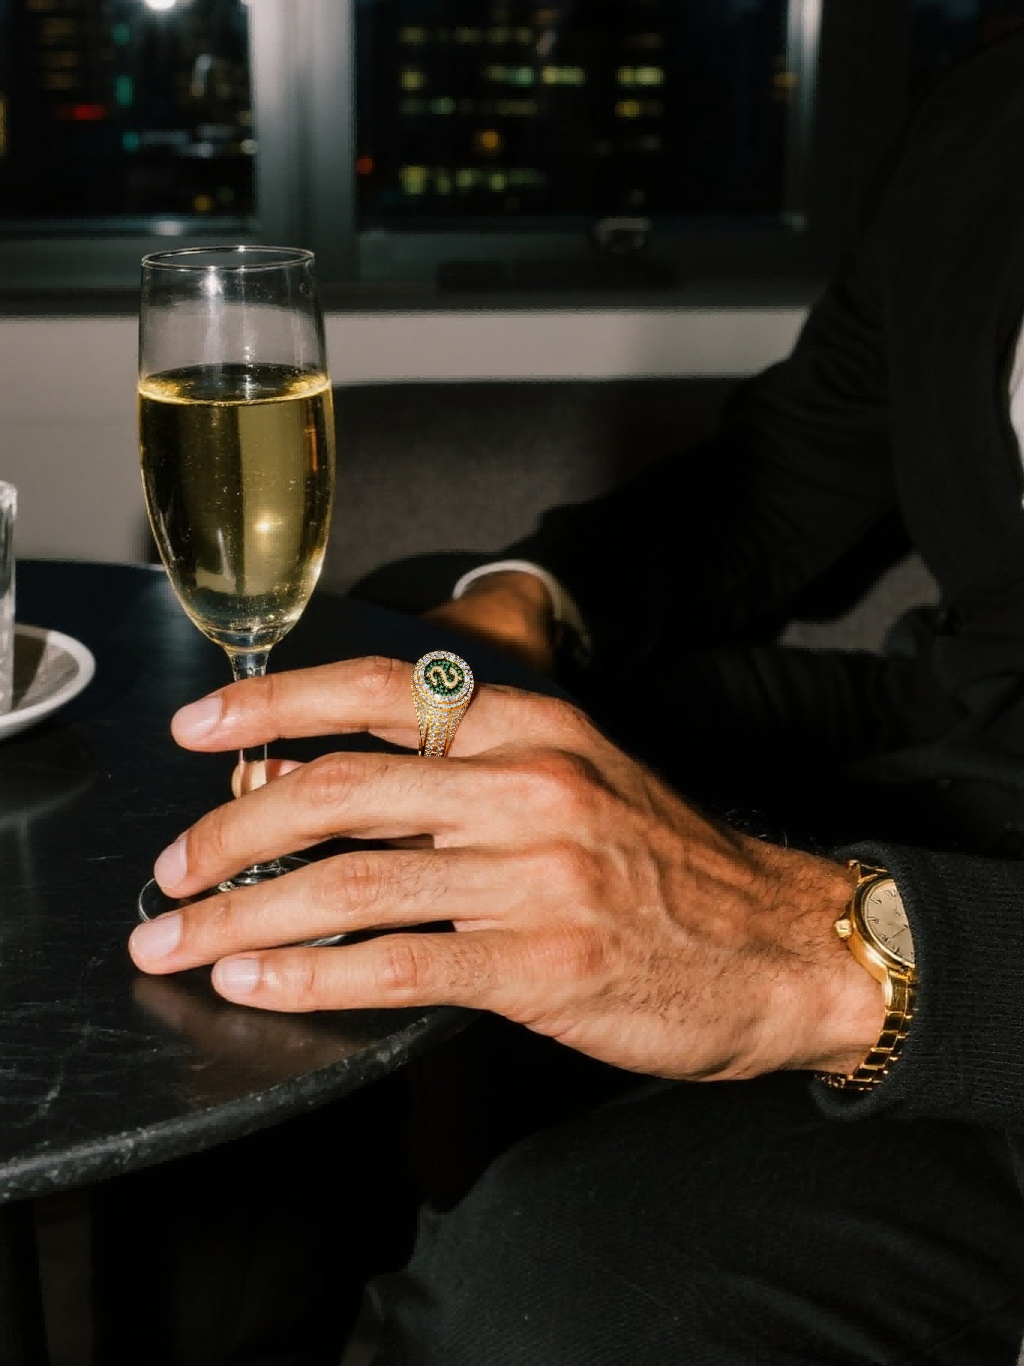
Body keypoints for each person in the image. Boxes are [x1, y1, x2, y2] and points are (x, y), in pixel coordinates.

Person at [129, 31, 1024, 1366]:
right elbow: (792, 469)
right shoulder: (993, 108)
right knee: (393, 695)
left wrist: (829, 952)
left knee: (551, 1291)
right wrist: (526, 597)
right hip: (965, 721)